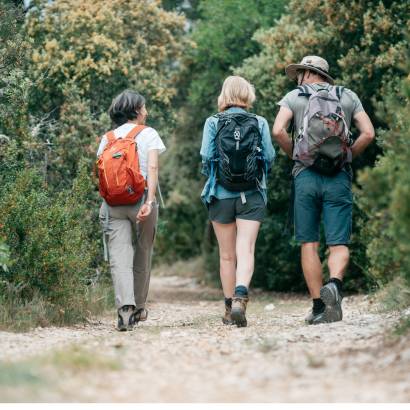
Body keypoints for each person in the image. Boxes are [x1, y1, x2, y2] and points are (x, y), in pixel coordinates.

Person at [272, 56, 375, 324]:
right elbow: (368, 133)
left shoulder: (294, 96)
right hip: (338, 175)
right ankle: (335, 286)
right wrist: (347, 156)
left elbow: (278, 131)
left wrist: (296, 155)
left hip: (305, 175)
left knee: (309, 242)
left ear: (307, 73)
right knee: (338, 241)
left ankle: (319, 307)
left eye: (299, 73)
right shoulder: (347, 95)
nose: (297, 78)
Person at [201, 76, 275, 327]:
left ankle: (227, 306)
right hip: (252, 194)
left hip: (220, 195)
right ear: (247, 94)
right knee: (246, 250)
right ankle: (241, 298)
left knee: (226, 255)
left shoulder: (212, 122)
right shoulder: (259, 122)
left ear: (223, 95)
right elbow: (270, 156)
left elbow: (206, 156)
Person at [97, 90, 166, 331]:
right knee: (143, 252)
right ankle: (138, 308)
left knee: (119, 257)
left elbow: (101, 173)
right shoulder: (149, 134)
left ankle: (124, 311)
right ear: (136, 110)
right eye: (144, 107)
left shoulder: (107, 138)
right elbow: (154, 167)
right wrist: (149, 200)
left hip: (113, 204)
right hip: (141, 200)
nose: (146, 112)